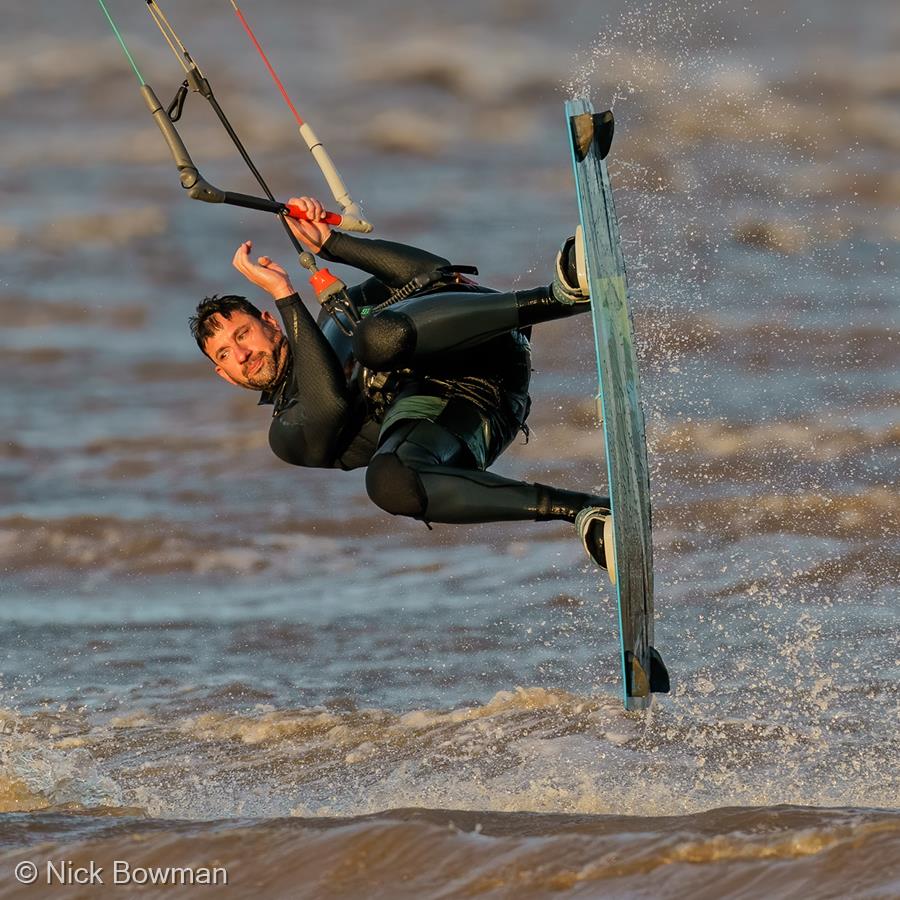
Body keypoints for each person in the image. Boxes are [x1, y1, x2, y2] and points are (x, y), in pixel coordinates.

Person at [189, 197, 615, 575]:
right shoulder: (288, 433)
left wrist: (333, 245)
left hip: (490, 351)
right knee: (386, 481)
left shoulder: (341, 317)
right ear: (223, 376)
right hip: (467, 421)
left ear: (267, 322)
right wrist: (285, 292)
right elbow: (330, 404)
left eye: (241, 334)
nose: (241, 355)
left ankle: (562, 298)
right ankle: (584, 513)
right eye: (224, 355)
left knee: (374, 337)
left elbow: (434, 275)